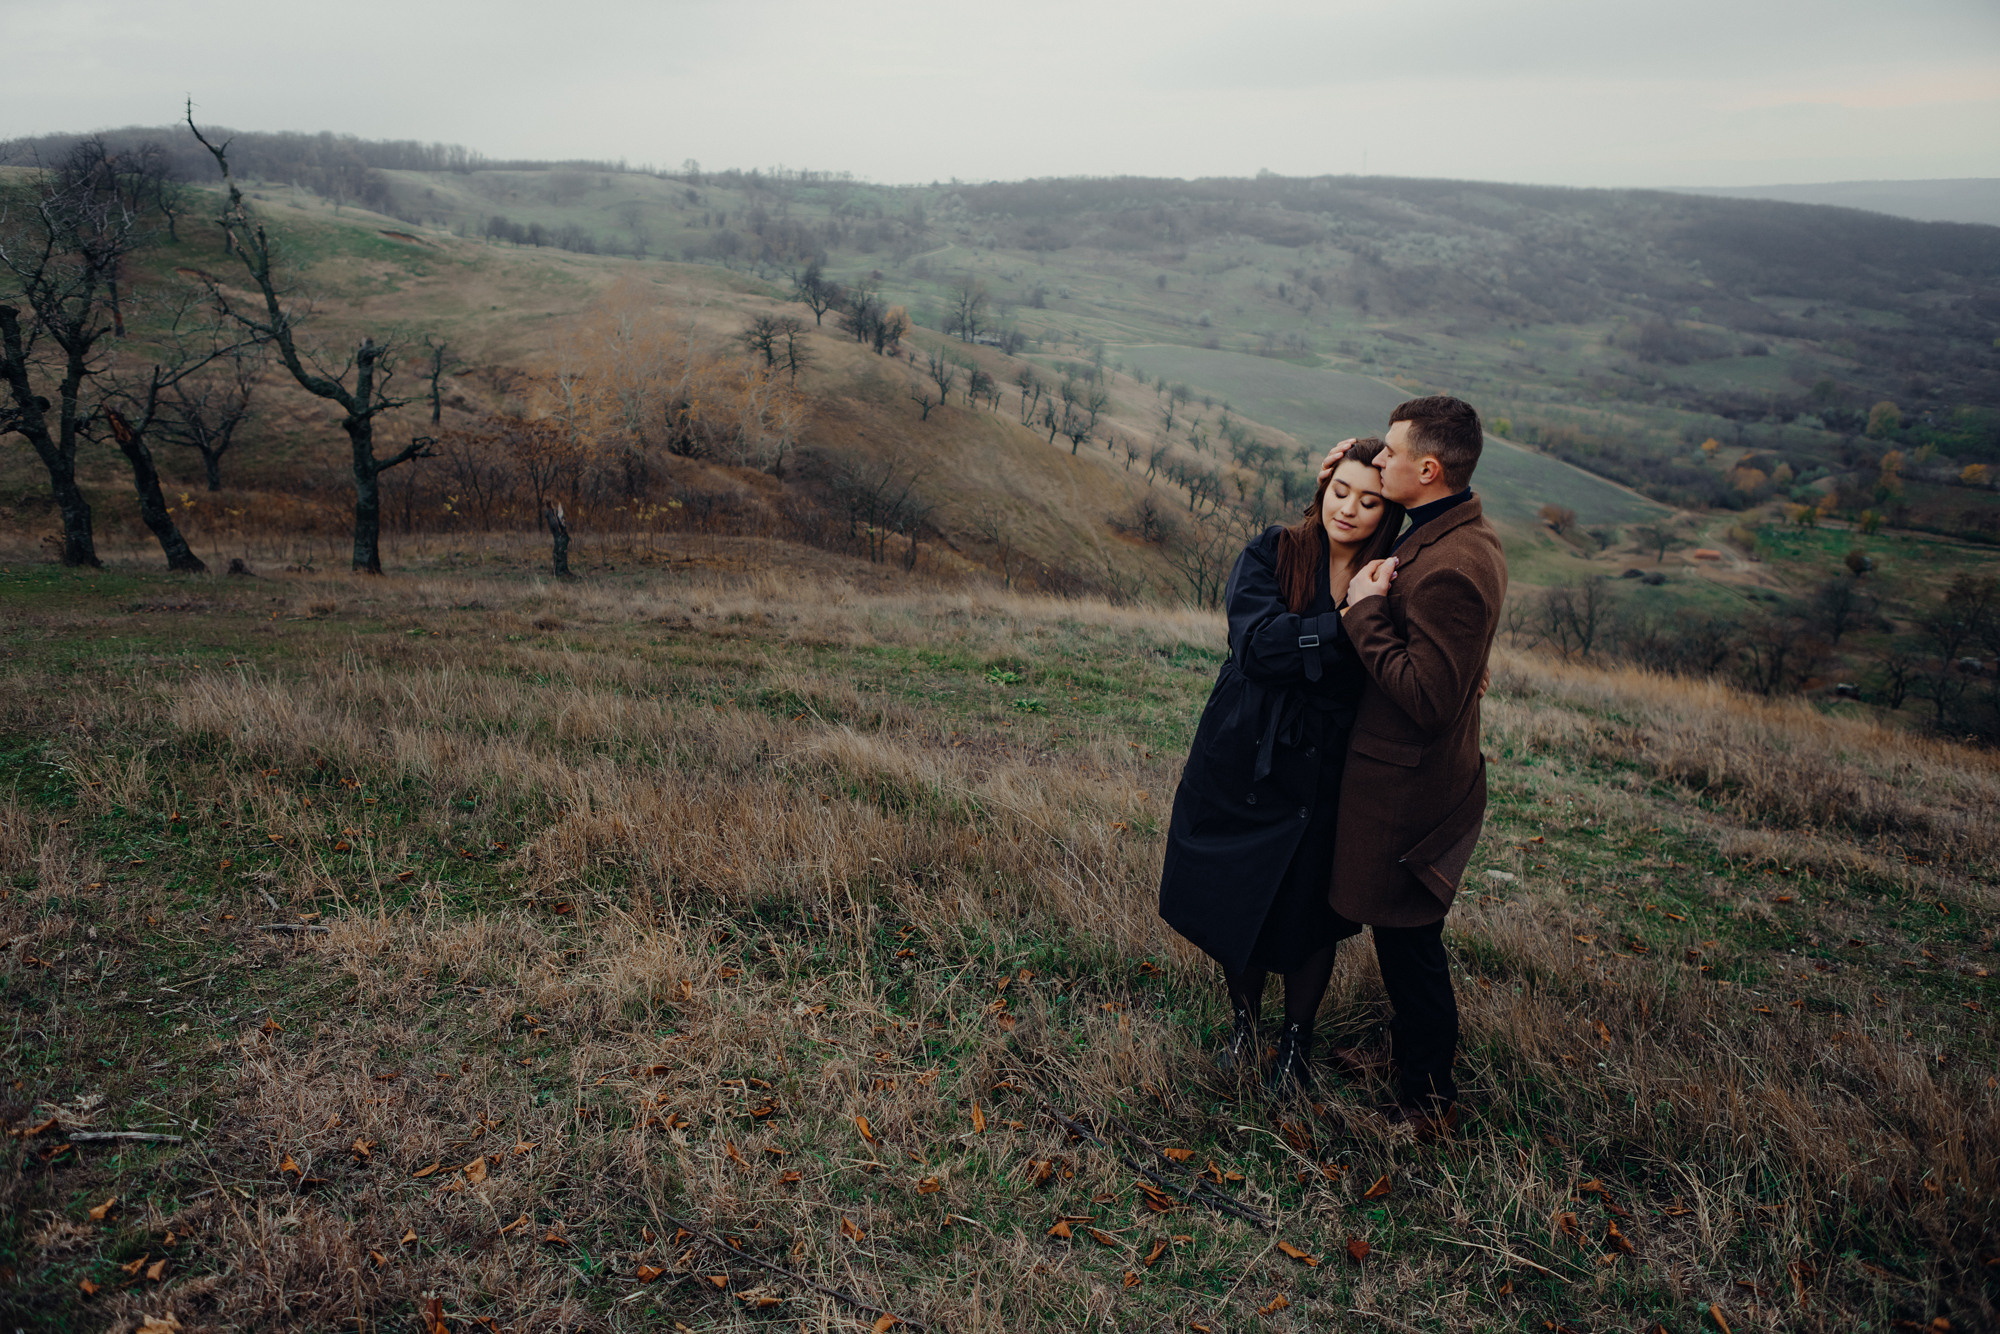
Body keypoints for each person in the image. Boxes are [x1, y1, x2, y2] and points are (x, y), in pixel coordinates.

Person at [1158, 439, 1406, 1099]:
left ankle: (1297, 1039)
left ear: (1389, 511)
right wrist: (1340, 628)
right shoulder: (1275, 551)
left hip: (1325, 769)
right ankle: (1246, 1022)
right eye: (1341, 492)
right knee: (1233, 890)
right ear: (1323, 488)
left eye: (1370, 500)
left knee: (1308, 910)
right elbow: (1257, 646)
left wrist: (1350, 621)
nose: (1350, 509)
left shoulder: (1389, 580)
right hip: (1244, 752)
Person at [1315, 394, 1507, 1137]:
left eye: (1391, 454)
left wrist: (1362, 612)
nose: (1382, 460)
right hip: (1412, 774)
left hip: (1410, 786)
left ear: (1429, 469)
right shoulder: (1446, 526)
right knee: (1400, 937)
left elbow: (1427, 696)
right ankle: (1406, 1055)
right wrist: (1343, 466)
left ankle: (1428, 1098)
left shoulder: (1452, 564)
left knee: (1410, 943)